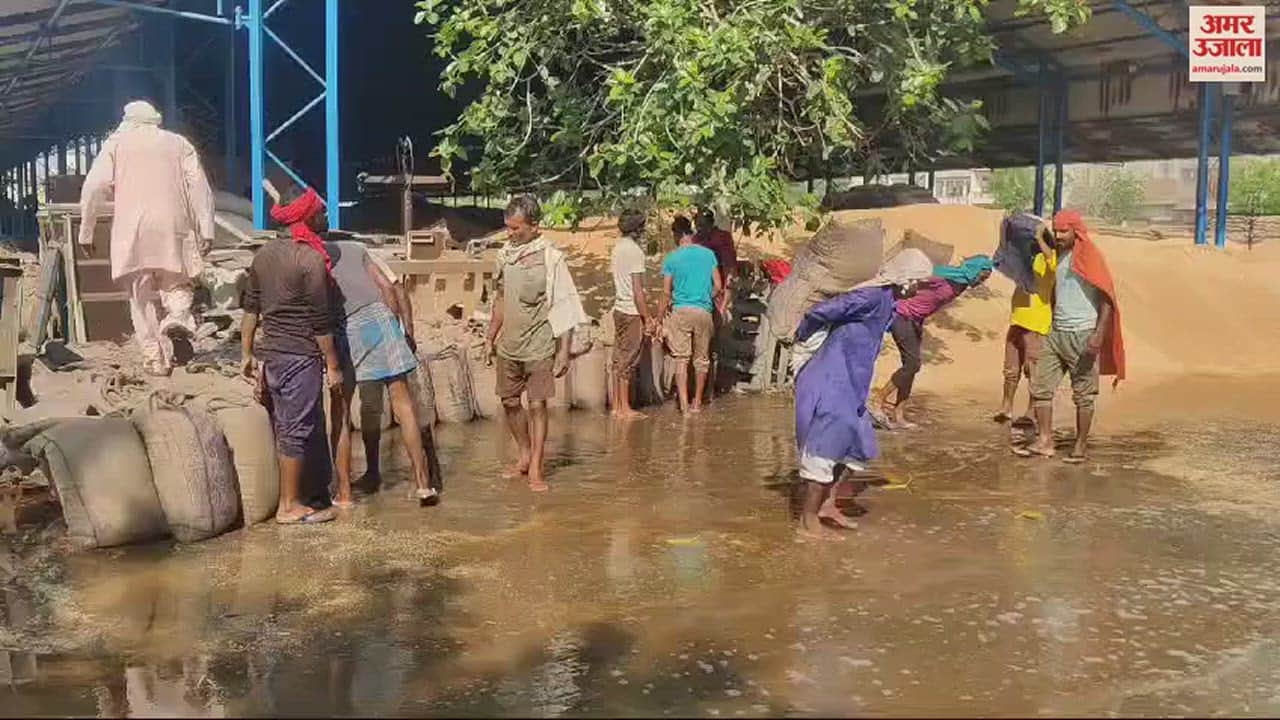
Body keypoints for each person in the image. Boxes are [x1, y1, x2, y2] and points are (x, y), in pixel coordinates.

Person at [792, 249, 934, 538]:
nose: (920, 289)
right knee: (823, 449)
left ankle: (827, 505)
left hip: (850, 384)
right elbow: (820, 312)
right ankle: (808, 522)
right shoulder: (871, 298)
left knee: (858, 444)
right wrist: (804, 336)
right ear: (905, 280)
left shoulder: (889, 304)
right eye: (918, 282)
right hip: (830, 379)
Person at [80, 100, 215, 377]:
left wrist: (87, 229)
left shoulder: (116, 144)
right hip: (173, 224)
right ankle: (177, 317)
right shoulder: (178, 144)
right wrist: (207, 228)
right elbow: (200, 186)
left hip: (133, 231)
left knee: (139, 299)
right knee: (177, 282)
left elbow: (95, 186)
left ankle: (156, 359)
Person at [241, 187, 342, 525]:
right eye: (321, 212)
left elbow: (251, 309)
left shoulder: (263, 255)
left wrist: (246, 354)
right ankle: (288, 506)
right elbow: (320, 321)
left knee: (291, 425)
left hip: (272, 355)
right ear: (307, 217)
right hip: (300, 355)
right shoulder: (309, 259)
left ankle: (311, 494)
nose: (326, 218)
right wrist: (332, 364)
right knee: (297, 429)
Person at [321, 236, 442, 508]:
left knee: (342, 409)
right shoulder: (358, 249)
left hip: (350, 326)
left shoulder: (316, 256)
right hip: (381, 318)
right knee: (404, 406)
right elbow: (388, 287)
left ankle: (345, 494)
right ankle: (423, 484)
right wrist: (396, 328)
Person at [485, 195, 588, 492]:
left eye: (517, 228)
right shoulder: (505, 255)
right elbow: (500, 300)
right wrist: (490, 336)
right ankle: (524, 452)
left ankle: (537, 468)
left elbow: (564, 304)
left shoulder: (550, 258)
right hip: (509, 345)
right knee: (509, 402)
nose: (511, 233)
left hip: (539, 344)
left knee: (538, 405)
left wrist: (564, 352)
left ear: (534, 226)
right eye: (508, 228)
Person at [1018, 210, 1125, 463]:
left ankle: (1080, 446)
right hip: (1057, 332)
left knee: (1083, 394)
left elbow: (1107, 299)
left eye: (1063, 231)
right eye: (1055, 231)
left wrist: (1098, 335)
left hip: (1083, 333)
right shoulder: (1060, 254)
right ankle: (1045, 440)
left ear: (1075, 231)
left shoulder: (1090, 257)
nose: (1058, 235)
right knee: (1040, 387)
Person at [871, 255, 994, 429]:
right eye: (982, 277)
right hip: (902, 315)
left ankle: (899, 414)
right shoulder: (944, 277)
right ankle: (878, 400)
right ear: (975, 270)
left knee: (911, 367)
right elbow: (915, 275)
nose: (982, 282)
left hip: (916, 321)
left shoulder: (962, 282)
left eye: (985, 279)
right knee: (913, 365)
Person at [659, 216, 723, 415]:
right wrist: (705, 297)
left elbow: (666, 292)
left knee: (681, 360)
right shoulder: (708, 255)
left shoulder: (672, 258)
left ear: (677, 234)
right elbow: (719, 287)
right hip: (704, 311)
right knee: (702, 360)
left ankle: (685, 408)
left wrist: (659, 316)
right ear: (692, 232)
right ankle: (697, 404)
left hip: (681, 312)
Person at [996, 220, 1057, 425]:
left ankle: (1031, 412)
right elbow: (1003, 258)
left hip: (1037, 324)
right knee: (1010, 370)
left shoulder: (1047, 260)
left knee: (1034, 371)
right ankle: (1006, 407)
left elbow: (1053, 261)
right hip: (1018, 321)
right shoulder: (1023, 262)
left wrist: (1040, 237)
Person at [610, 209, 654, 420]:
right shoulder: (635, 252)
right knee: (628, 360)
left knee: (619, 358)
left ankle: (617, 407)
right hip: (631, 311)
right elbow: (637, 291)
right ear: (638, 229)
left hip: (618, 309)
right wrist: (647, 318)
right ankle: (625, 409)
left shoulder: (618, 248)